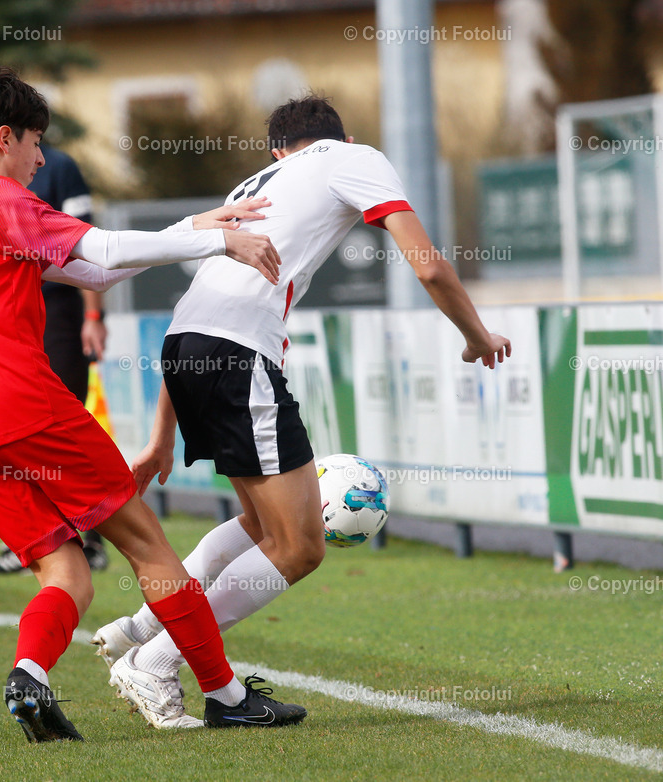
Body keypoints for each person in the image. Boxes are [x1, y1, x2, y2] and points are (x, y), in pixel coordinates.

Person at [93, 95, 512, 729]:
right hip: (235, 353)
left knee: (262, 526)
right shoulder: (354, 157)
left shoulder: (256, 183)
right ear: (335, 140)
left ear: (276, 152)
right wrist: (476, 335)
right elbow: (427, 266)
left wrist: (158, 441)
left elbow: (194, 314)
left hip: (188, 348)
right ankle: (156, 660)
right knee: (300, 544)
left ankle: (145, 624)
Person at [0, 56, 305, 743]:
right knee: (148, 546)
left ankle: (31, 676)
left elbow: (93, 266)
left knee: (65, 570)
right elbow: (101, 244)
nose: (43, 160)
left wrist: (195, 225)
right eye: (37, 142)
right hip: (22, 406)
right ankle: (224, 693)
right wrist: (220, 238)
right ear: (5, 137)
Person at [0, 144, 110, 574]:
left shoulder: (61, 166)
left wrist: (93, 315)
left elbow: (87, 242)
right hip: (12, 311)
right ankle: (36, 540)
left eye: (37, 139)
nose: (35, 155)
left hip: (58, 311)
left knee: (65, 421)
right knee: (18, 426)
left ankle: (90, 539)